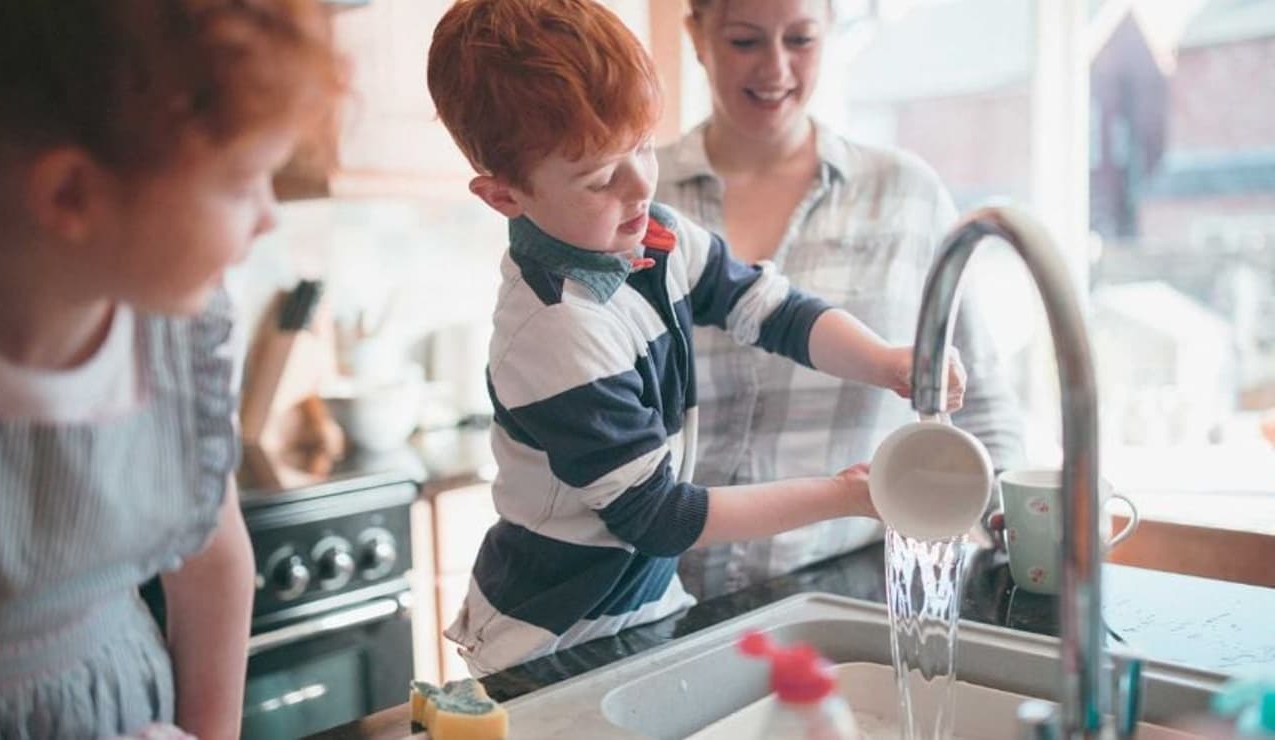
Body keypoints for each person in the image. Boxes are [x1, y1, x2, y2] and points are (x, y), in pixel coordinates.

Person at [425, 0, 966, 675]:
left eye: (643, 147)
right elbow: (661, 517)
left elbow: (773, 311)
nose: (639, 185)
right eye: (598, 177)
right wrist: (849, 495)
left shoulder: (654, 235)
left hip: (644, 611)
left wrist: (885, 360)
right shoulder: (555, 331)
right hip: (553, 641)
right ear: (505, 196)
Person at [0, 2, 342, 738]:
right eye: (242, 183)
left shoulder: (178, 339)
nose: (268, 218)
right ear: (72, 195)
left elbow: (214, 563)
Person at [657, 0, 1026, 599]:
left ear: (830, 32)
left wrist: (1013, 520)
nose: (775, 68)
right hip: (659, 597)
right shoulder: (634, 196)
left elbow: (980, 404)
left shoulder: (905, 195)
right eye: (745, 42)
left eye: (800, 39)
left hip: (852, 587)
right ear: (697, 36)